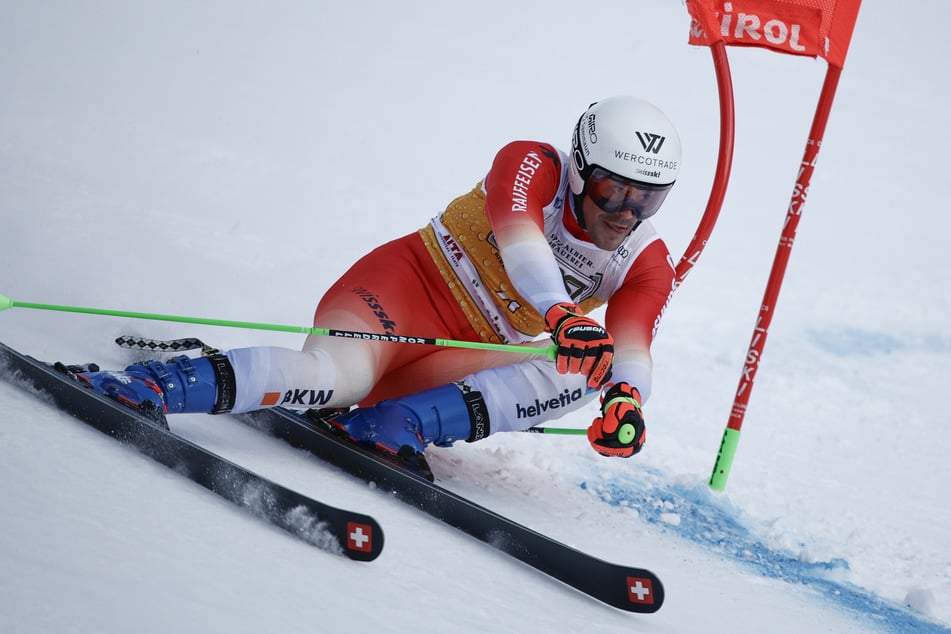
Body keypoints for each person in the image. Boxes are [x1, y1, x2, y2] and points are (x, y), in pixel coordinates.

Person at [76, 96, 681, 471]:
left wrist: (625, 400)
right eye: (613, 189)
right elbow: (523, 247)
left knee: (590, 368)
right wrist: (560, 312)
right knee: (335, 379)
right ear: (580, 169)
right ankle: (154, 384)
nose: (626, 212)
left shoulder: (645, 257)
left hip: (456, 359)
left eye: (647, 197)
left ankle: (401, 423)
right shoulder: (533, 163)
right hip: (404, 291)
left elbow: (633, 350)